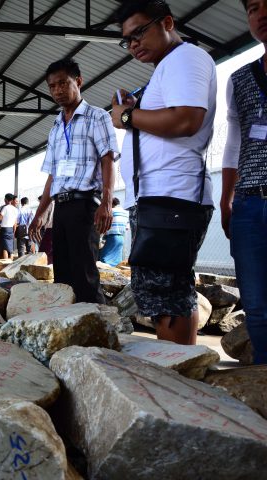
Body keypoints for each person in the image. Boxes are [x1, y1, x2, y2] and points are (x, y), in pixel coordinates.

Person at [111, 0, 216, 345]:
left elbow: (186, 119)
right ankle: (179, 372)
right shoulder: (168, 66)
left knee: (166, 295)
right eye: (127, 40)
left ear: (167, 22)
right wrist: (136, 109)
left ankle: (178, 377)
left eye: (139, 32)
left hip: (171, 196)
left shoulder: (185, 58)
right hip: (162, 197)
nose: (133, 44)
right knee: (167, 292)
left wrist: (126, 117)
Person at [29, 58, 117, 304]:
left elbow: (108, 160)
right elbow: (53, 174)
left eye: (63, 84)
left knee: (84, 274)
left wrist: (107, 202)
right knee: (63, 275)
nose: (57, 90)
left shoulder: (96, 116)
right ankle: (70, 330)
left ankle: (100, 327)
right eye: (52, 86)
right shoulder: (56, 126)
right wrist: (40, 213)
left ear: (78, 81)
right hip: (62, 207)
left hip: (85, 205)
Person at [220, 0, 267, 363]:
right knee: (256, 305)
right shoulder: (239, 78)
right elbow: (234, 140)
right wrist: (227, 197)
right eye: (253, 7)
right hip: (249, 203)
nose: (261, 14)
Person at [99, 198, 129, 266]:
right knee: (117, 262)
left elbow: (103, 225)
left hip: (112, 237)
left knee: (104, 259)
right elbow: (127, 228)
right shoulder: (126, 212)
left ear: (111, 203)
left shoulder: (110, 211)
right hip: (121, 238)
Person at [0, 193, 19, 259]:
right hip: (11, 229)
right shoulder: (16, 209)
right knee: (10, 247)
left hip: (5, 229)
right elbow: (15, 222)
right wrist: (14, 231)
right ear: (12, 200)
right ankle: (11, 262)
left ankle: (6, 263)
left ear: (6, 199)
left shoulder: (5, 208)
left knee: (5, 247)